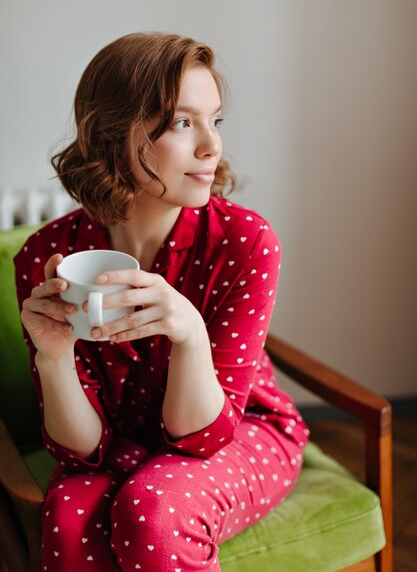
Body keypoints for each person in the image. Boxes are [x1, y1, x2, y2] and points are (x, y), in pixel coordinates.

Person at [14, 32, 309, 572]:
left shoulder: (244, 242)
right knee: (69, 516)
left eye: (214, 121)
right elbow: (80, 453)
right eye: (181, 122)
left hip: (240, 431)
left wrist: (189, 333)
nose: (211, 146)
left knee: (156, 511)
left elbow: (204, 438)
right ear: (113, 134)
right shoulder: (47, 256)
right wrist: (53, 358)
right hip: (122, 441)